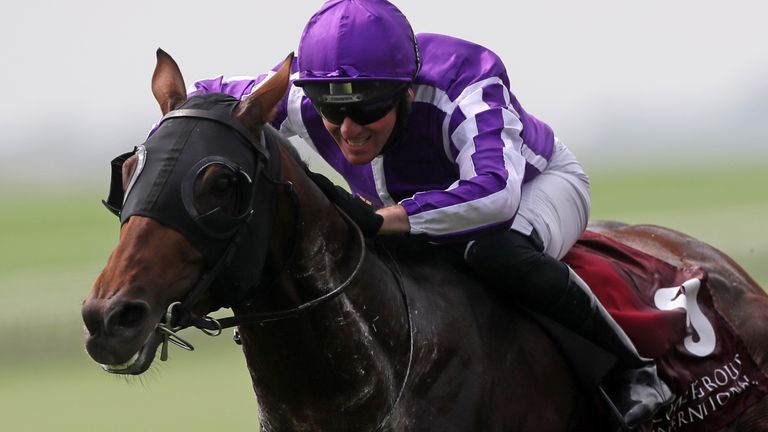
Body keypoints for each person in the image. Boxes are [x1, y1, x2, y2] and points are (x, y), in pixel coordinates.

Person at [187, 0, 672, 427]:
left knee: (491, 251)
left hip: (535, 186)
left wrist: (386, 221)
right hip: (412, 206)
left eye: (367, 110)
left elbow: (496, 195)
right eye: (331, 112)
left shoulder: (468, 79)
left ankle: (629, 369)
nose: (348, 129)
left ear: (406, 92)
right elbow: (201, 101)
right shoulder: (306, 91)